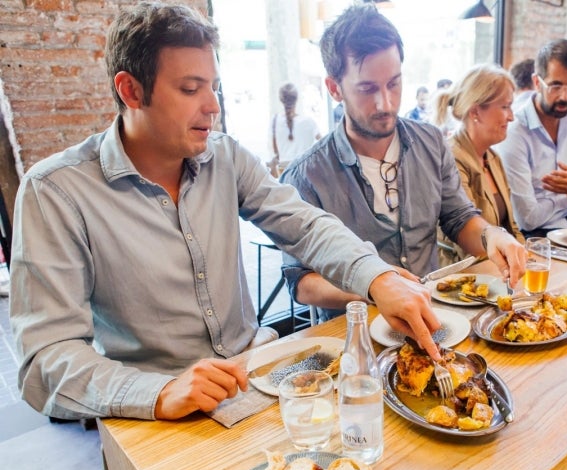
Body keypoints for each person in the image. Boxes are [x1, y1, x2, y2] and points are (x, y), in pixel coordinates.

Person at [9, 2, 451, 422]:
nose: (213, 105)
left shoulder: (225, 156)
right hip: (153, 411)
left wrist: (378, 277)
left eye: (213, 86)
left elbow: (304, 224)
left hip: (253, 384)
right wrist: (157, 393)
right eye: (189, 89)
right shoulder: (55, 192)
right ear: (130, 90)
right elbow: (46, 358)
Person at [280, 5, 526, 323]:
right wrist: (376, 288)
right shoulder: (307, 176)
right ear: (334, 88)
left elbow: (458, 218)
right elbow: (301, 282)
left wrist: (492, 236)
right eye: (367, 89)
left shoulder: (431, 143)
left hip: (437, 318)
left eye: (394, 84)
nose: (385, 103)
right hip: (355, 334)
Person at [495, 39, 567, 237]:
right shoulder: (516, 131)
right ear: (537, 82)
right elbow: (526, 219)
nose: (565, 96)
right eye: (555, 86)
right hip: (537, 239)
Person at [434, 64, 525, 265]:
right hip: (468, 276)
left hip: (498, 270)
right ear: (476, 111)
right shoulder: (451, 159)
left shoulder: (492, 156)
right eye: (505, 107)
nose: (511, 116)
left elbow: (511, 227)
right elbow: (466, 244)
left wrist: (526, 259)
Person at [268, 83, 321, 176]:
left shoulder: (274, 121)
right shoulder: (309, 122)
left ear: (281, 100)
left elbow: (273, 151)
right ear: (297, 99)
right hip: (306, 174)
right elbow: (323, 145)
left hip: (283, 175)